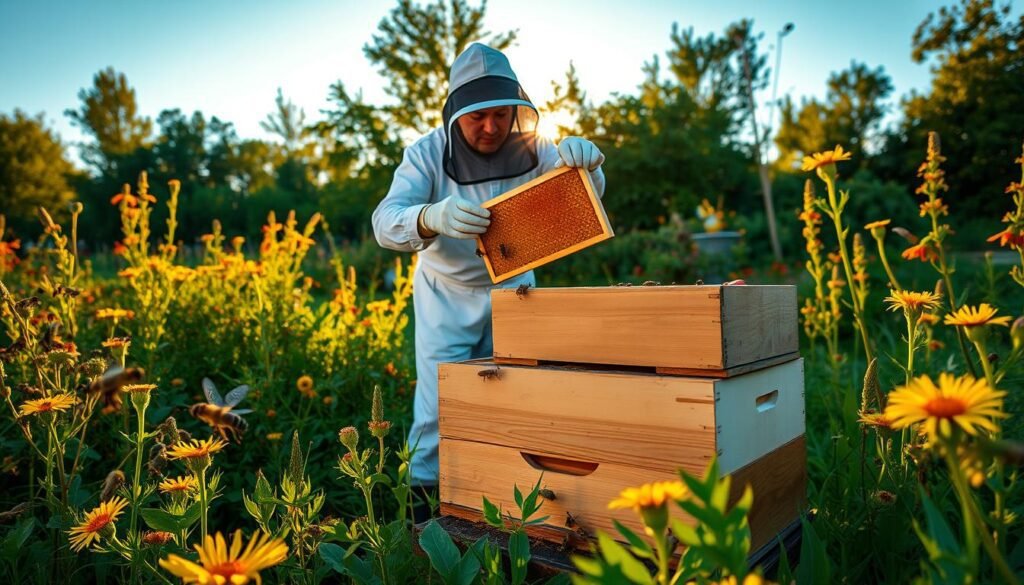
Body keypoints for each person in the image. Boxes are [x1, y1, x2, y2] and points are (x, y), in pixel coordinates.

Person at [371, 43, 606, 507]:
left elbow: (576, 198)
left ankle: (504, 496)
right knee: (440, 402)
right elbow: (384, 222)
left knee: (517, 393)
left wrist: (590, 167)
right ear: (456, 113)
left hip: (516, 289)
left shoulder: (536, 149)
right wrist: (428, 217)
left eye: (501, 114)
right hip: (446, 292)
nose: (491, 127)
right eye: (478, 117)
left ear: (517, 109)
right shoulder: (424, 155)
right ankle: (422, 504)